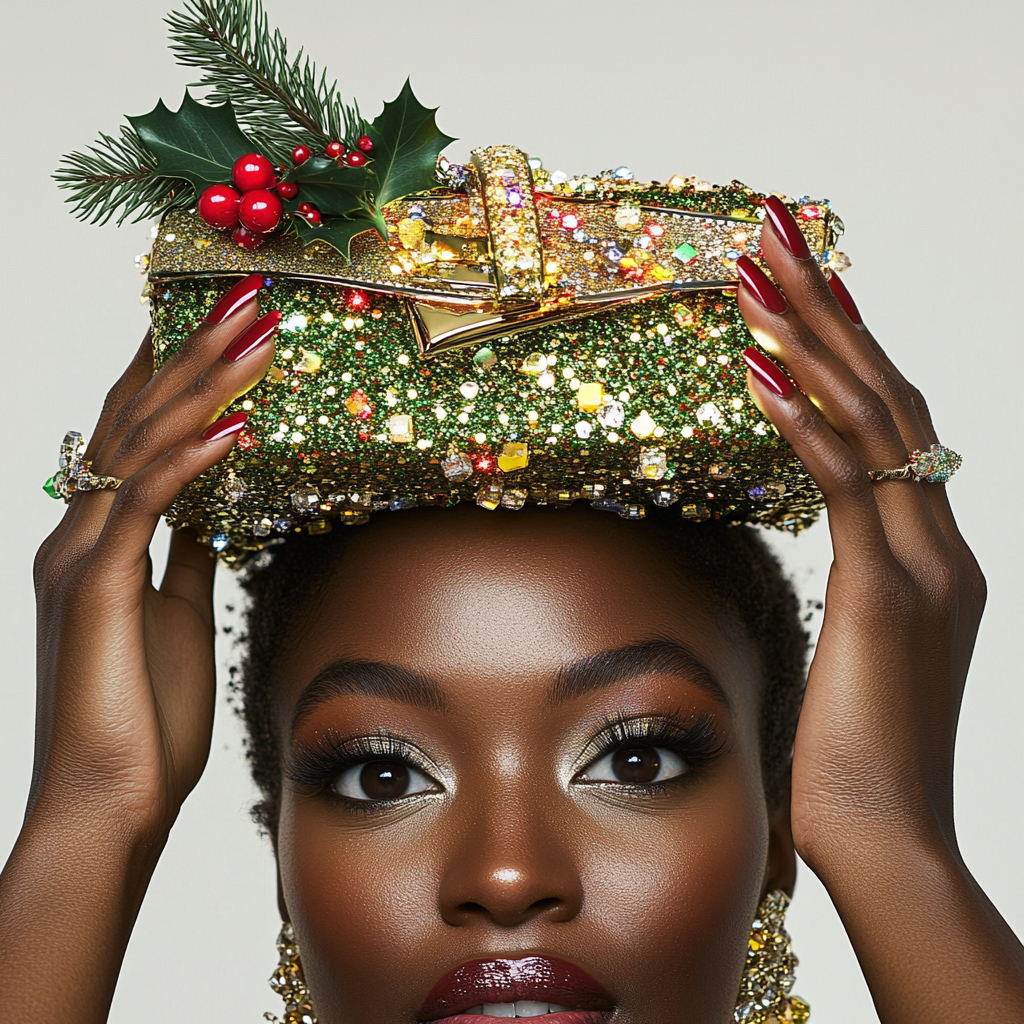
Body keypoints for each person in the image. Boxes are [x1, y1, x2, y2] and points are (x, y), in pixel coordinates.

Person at [2, 205, 1023, 1024]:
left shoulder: (848, 833)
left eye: (635, 758)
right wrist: (89, 819)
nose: (505, 873)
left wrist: (894, 843)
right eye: (383, 772)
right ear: (285, 870)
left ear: (777, 837)